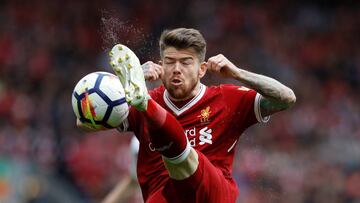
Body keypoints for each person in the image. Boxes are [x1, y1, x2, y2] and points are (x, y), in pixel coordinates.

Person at [79, 28, 296, 202]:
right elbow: (84, 123)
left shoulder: (226, 99)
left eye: (185, 62)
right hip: (162, 196)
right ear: (160, 65)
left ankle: (149, 109)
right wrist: (118, 93)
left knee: (183, 155)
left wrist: (238, 73)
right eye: (170, 61)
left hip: (212, 195)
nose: (176, 69)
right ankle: (147, 107)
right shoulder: (138, 99)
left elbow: (286, 98)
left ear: (202, 69)